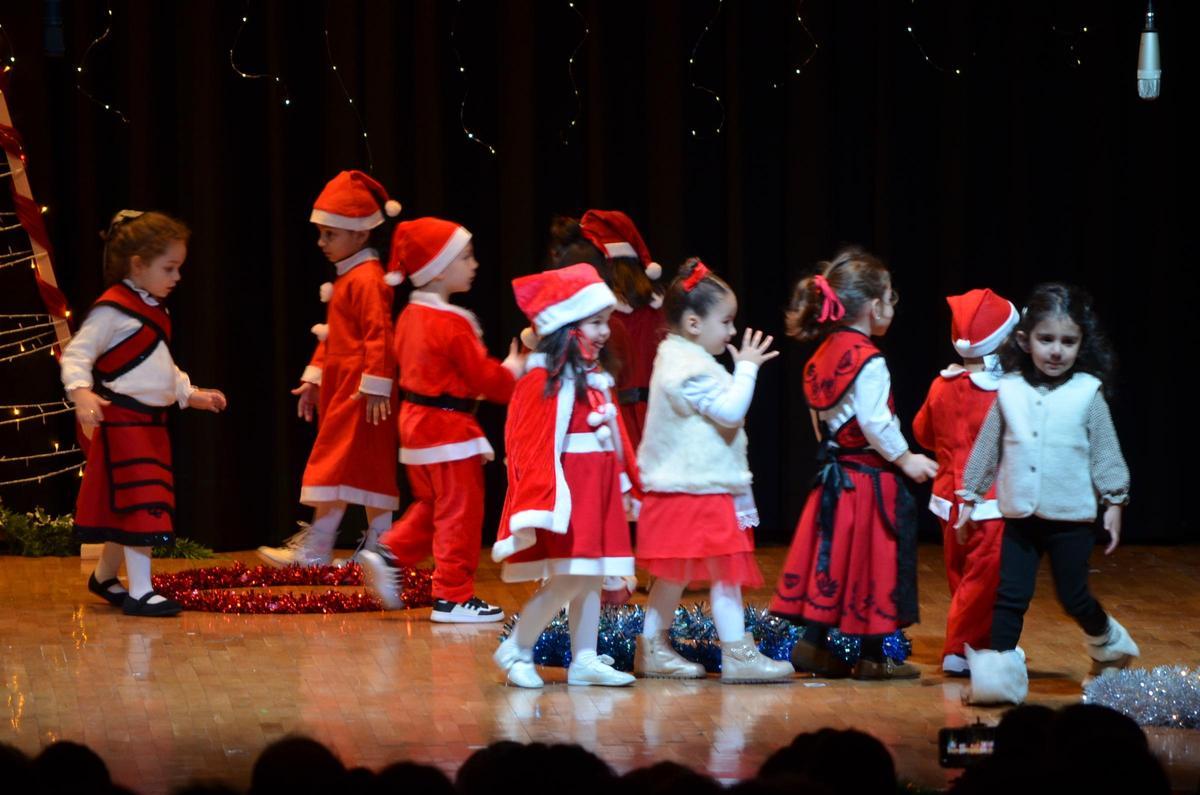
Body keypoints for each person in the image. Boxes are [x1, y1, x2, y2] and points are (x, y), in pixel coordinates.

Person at [956, 283, 1136, 704]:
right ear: (1025, 340)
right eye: (1046, 339)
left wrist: (1114, 500)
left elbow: (1106, 450)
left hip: (1071, 517)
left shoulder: (1087, 391)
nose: (1056, 351)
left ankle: (1110, 645)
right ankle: (998, 680)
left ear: (1081, 344)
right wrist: (969, 497)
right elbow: (987, 446)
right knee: (1010, 596)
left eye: (1068, 342)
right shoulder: (1010, 389)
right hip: (1020, 514)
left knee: (1073, 597)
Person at [769, 248, 936, 679]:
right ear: (875, 305)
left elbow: (820, 422)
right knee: (872, 564)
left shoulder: (821, 355)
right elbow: (876, 422)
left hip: (836, 478)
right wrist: (906, 458)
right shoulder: (869, 359)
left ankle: (813, 644)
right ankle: (873, 659)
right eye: (890, 298)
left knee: (836, 560)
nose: (893, 307)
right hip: (868, 480)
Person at [635, 259, 793, 683]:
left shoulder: (682, 358)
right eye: (725, 321)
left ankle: (653, 648)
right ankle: (737, 655)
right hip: (695, 487)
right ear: (692, 323)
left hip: (690, 485)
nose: (731, 331)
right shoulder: (688, 369)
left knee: (674, 573)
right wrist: (748, 368)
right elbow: (730, 411)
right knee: (723, 572)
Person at [63, 210, 227, 617]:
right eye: (169, 268)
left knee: (128, 506)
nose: (177, 276)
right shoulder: (112, 310)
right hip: (125, 425)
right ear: (138, 265)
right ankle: (141, 590)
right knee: (142, 504)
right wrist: (80, 391)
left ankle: (104, 577)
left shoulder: (155, 310)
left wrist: (190, 394)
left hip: (150, 427)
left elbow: (161, 368)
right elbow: (77, 354)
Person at [359, 217, 521, 622]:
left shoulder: (409, 317)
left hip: (416, 430)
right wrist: (515, 371)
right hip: (449, 432)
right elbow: (486, 380)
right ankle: (453, 596)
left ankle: (390, 552)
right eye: (465, 257)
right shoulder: (452, 323)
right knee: (460, 513)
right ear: (438, 269)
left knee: (433, 505)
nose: (474, 264)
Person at [491, 263, 639, 688]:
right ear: (566, 327)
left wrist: (625, 484)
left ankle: (585, 658)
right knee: (570, 575)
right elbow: (530, 445)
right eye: (595, 322)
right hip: (571, 492)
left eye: (606, 321)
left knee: (591, 574)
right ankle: (516, 647)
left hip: (599, 489)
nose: (605, 331)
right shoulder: (543, 379)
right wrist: (541, 499)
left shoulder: (595, 376)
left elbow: (617, 436)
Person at [258, 171, 401, 567]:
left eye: (330, 234)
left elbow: (380, 334)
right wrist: (314, 378)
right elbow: (335, 337)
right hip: (347, 388)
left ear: (361, 233)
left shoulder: (368, 279)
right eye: (320, 234)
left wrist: (375, 384)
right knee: (353, 465)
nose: (321, 242)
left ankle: (344, 548)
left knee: (347, 464)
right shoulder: (350, 276)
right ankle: (371, 548)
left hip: (363, 392)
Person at [912, 289, 1018, 675]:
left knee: (961, 575)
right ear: (1002, 342)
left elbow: (922, 433)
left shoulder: (941, 386)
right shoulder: (1004, 393)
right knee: (983, 580)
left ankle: (978, 646)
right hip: (988, 502)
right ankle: (959, 650)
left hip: (946, 499)